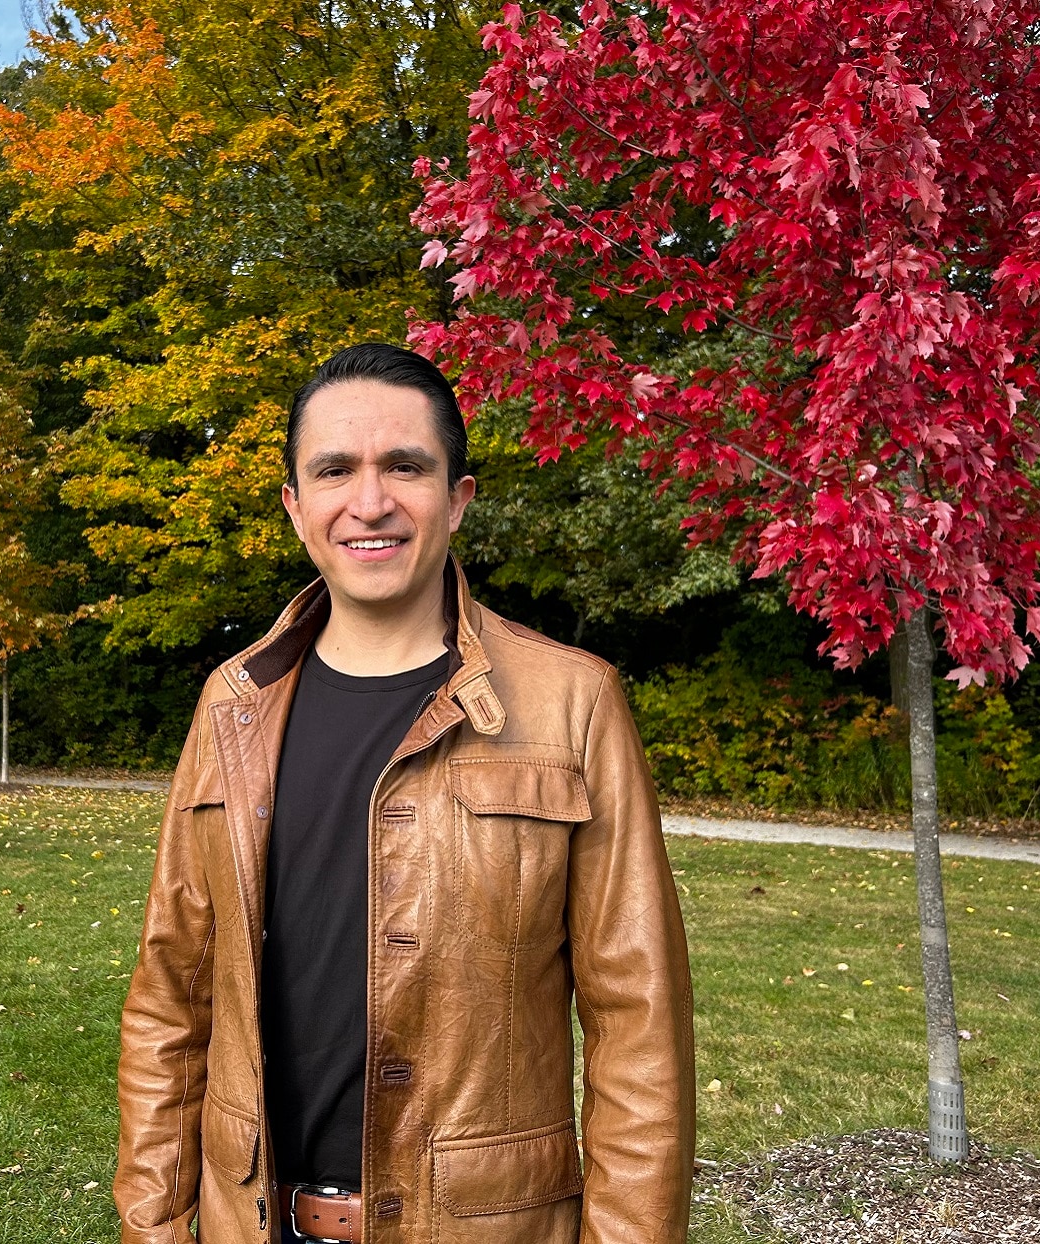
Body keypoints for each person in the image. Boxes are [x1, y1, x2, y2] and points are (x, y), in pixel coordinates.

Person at [114, 343, 694, 1244]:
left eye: (406, 467)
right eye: (336, 470)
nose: (371, 501)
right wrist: (152, 1227)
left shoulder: (572, 703)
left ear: (458, 499)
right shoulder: (233, 704)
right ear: (296, 507)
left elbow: (640, 1028)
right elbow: (169, 999)